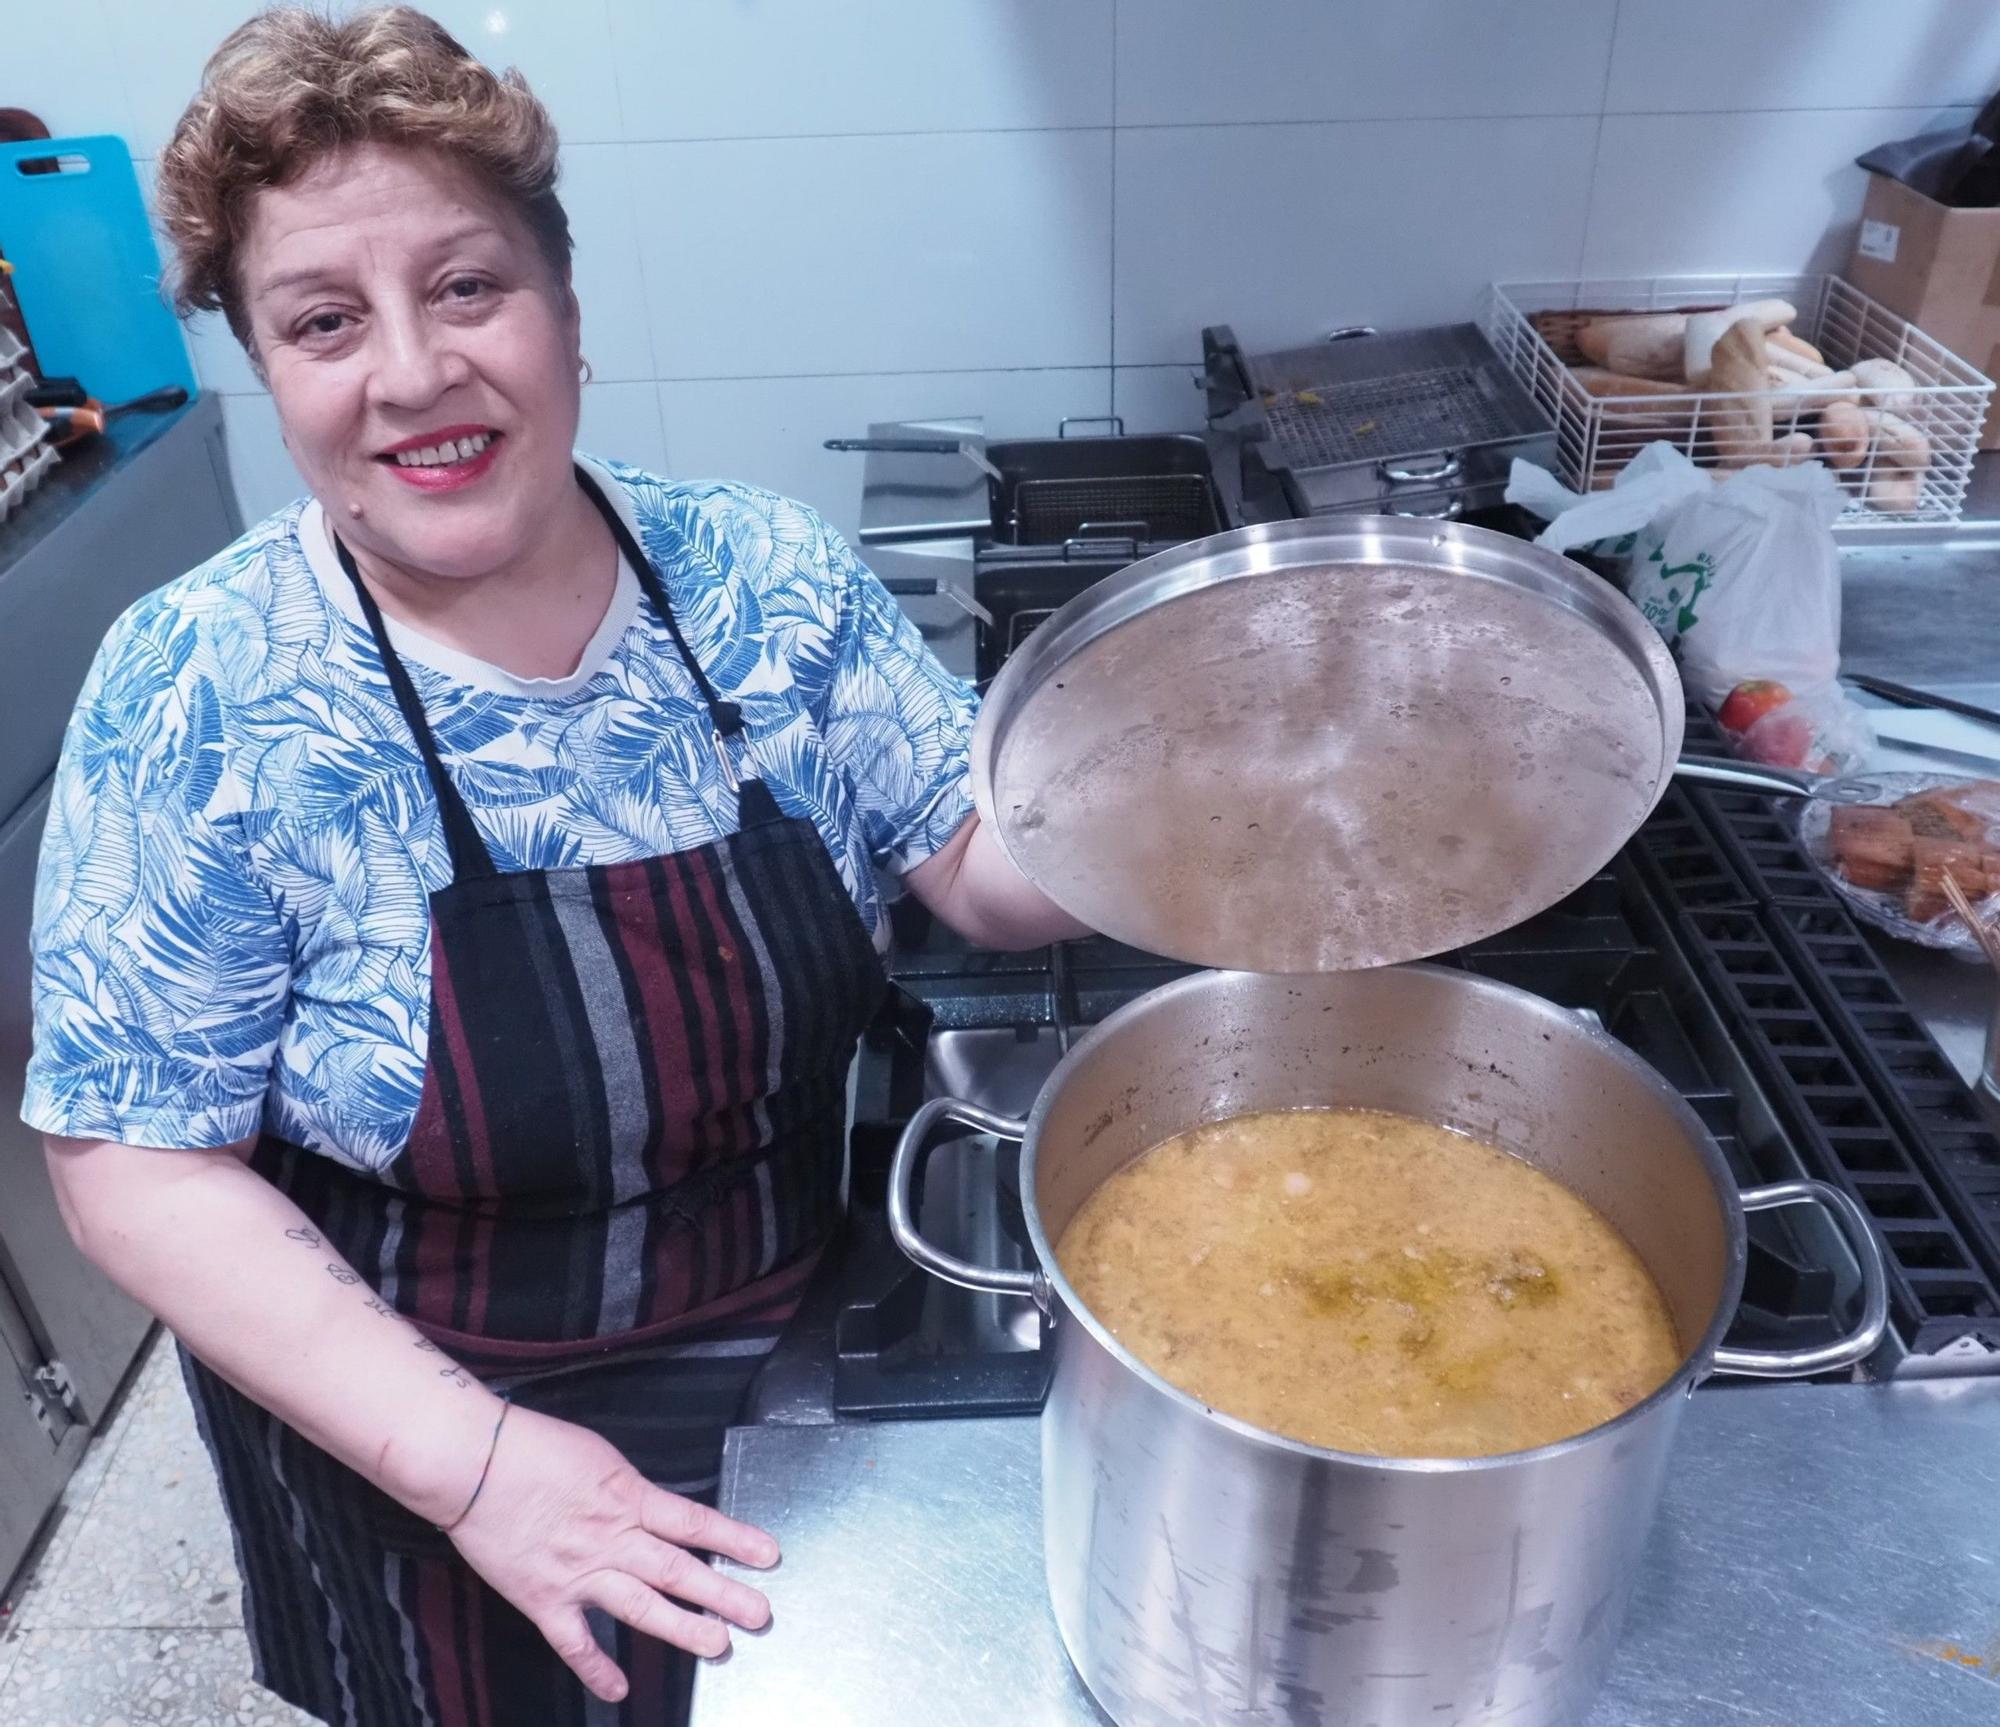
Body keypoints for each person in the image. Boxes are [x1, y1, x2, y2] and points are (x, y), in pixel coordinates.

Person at [22, 9, 1086, 1724]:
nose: (413, 374)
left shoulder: (759, 575)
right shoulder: (200, 692)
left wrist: (1214, 793)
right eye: (323, 321)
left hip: (793, 1379)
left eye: (466, 287)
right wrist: (483, 1468)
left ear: (567, 309)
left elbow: (977, 856)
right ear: (266, 369)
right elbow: (134, 1167)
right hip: (424, 1440)